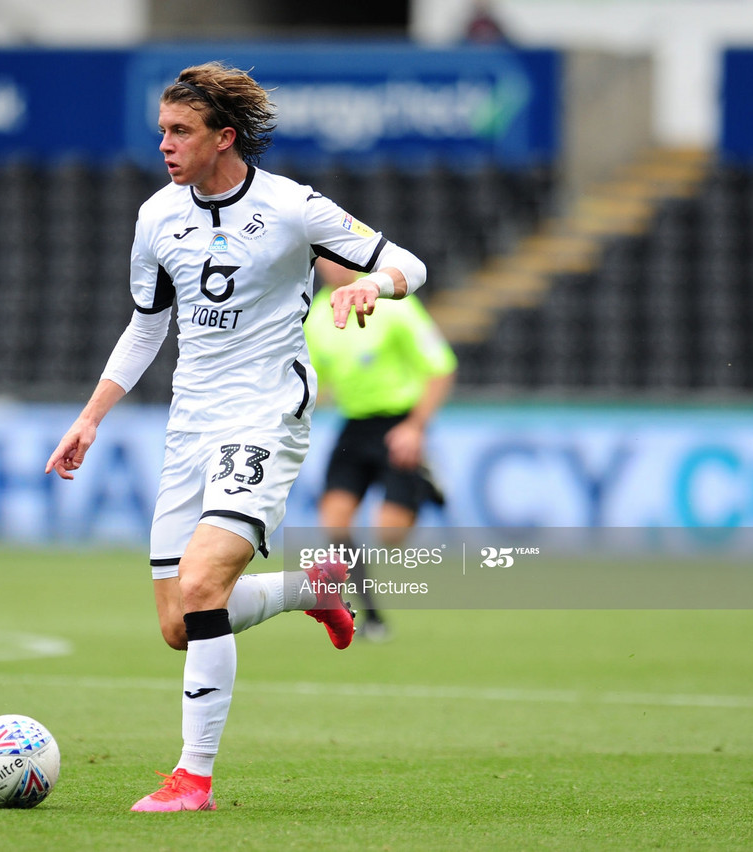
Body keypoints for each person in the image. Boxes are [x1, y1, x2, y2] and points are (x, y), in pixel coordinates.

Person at [45, 62, 427, 812]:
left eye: (180, 132)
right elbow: (147, 324)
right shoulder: (157, 216)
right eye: (161, 131)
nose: (165, 144)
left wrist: (366, 284)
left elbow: (409, 263)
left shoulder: (292, 207)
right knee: (177, 625)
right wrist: (91, 415)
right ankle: (309, 588)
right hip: (190, 424)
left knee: (201, 586)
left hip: (264, 415)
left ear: (225, 138)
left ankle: (193, 778)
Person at [305, 258, 457, 641]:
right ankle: (371, 615)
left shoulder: (393, 305)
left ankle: (422, 479)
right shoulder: (316, 317)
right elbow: (314, 380)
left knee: (390, 534)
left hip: (398, 425)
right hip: (355, 426)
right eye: (324, 258)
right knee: (334, 523)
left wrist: (415, 428)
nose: (333, 266)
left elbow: (441, 367)